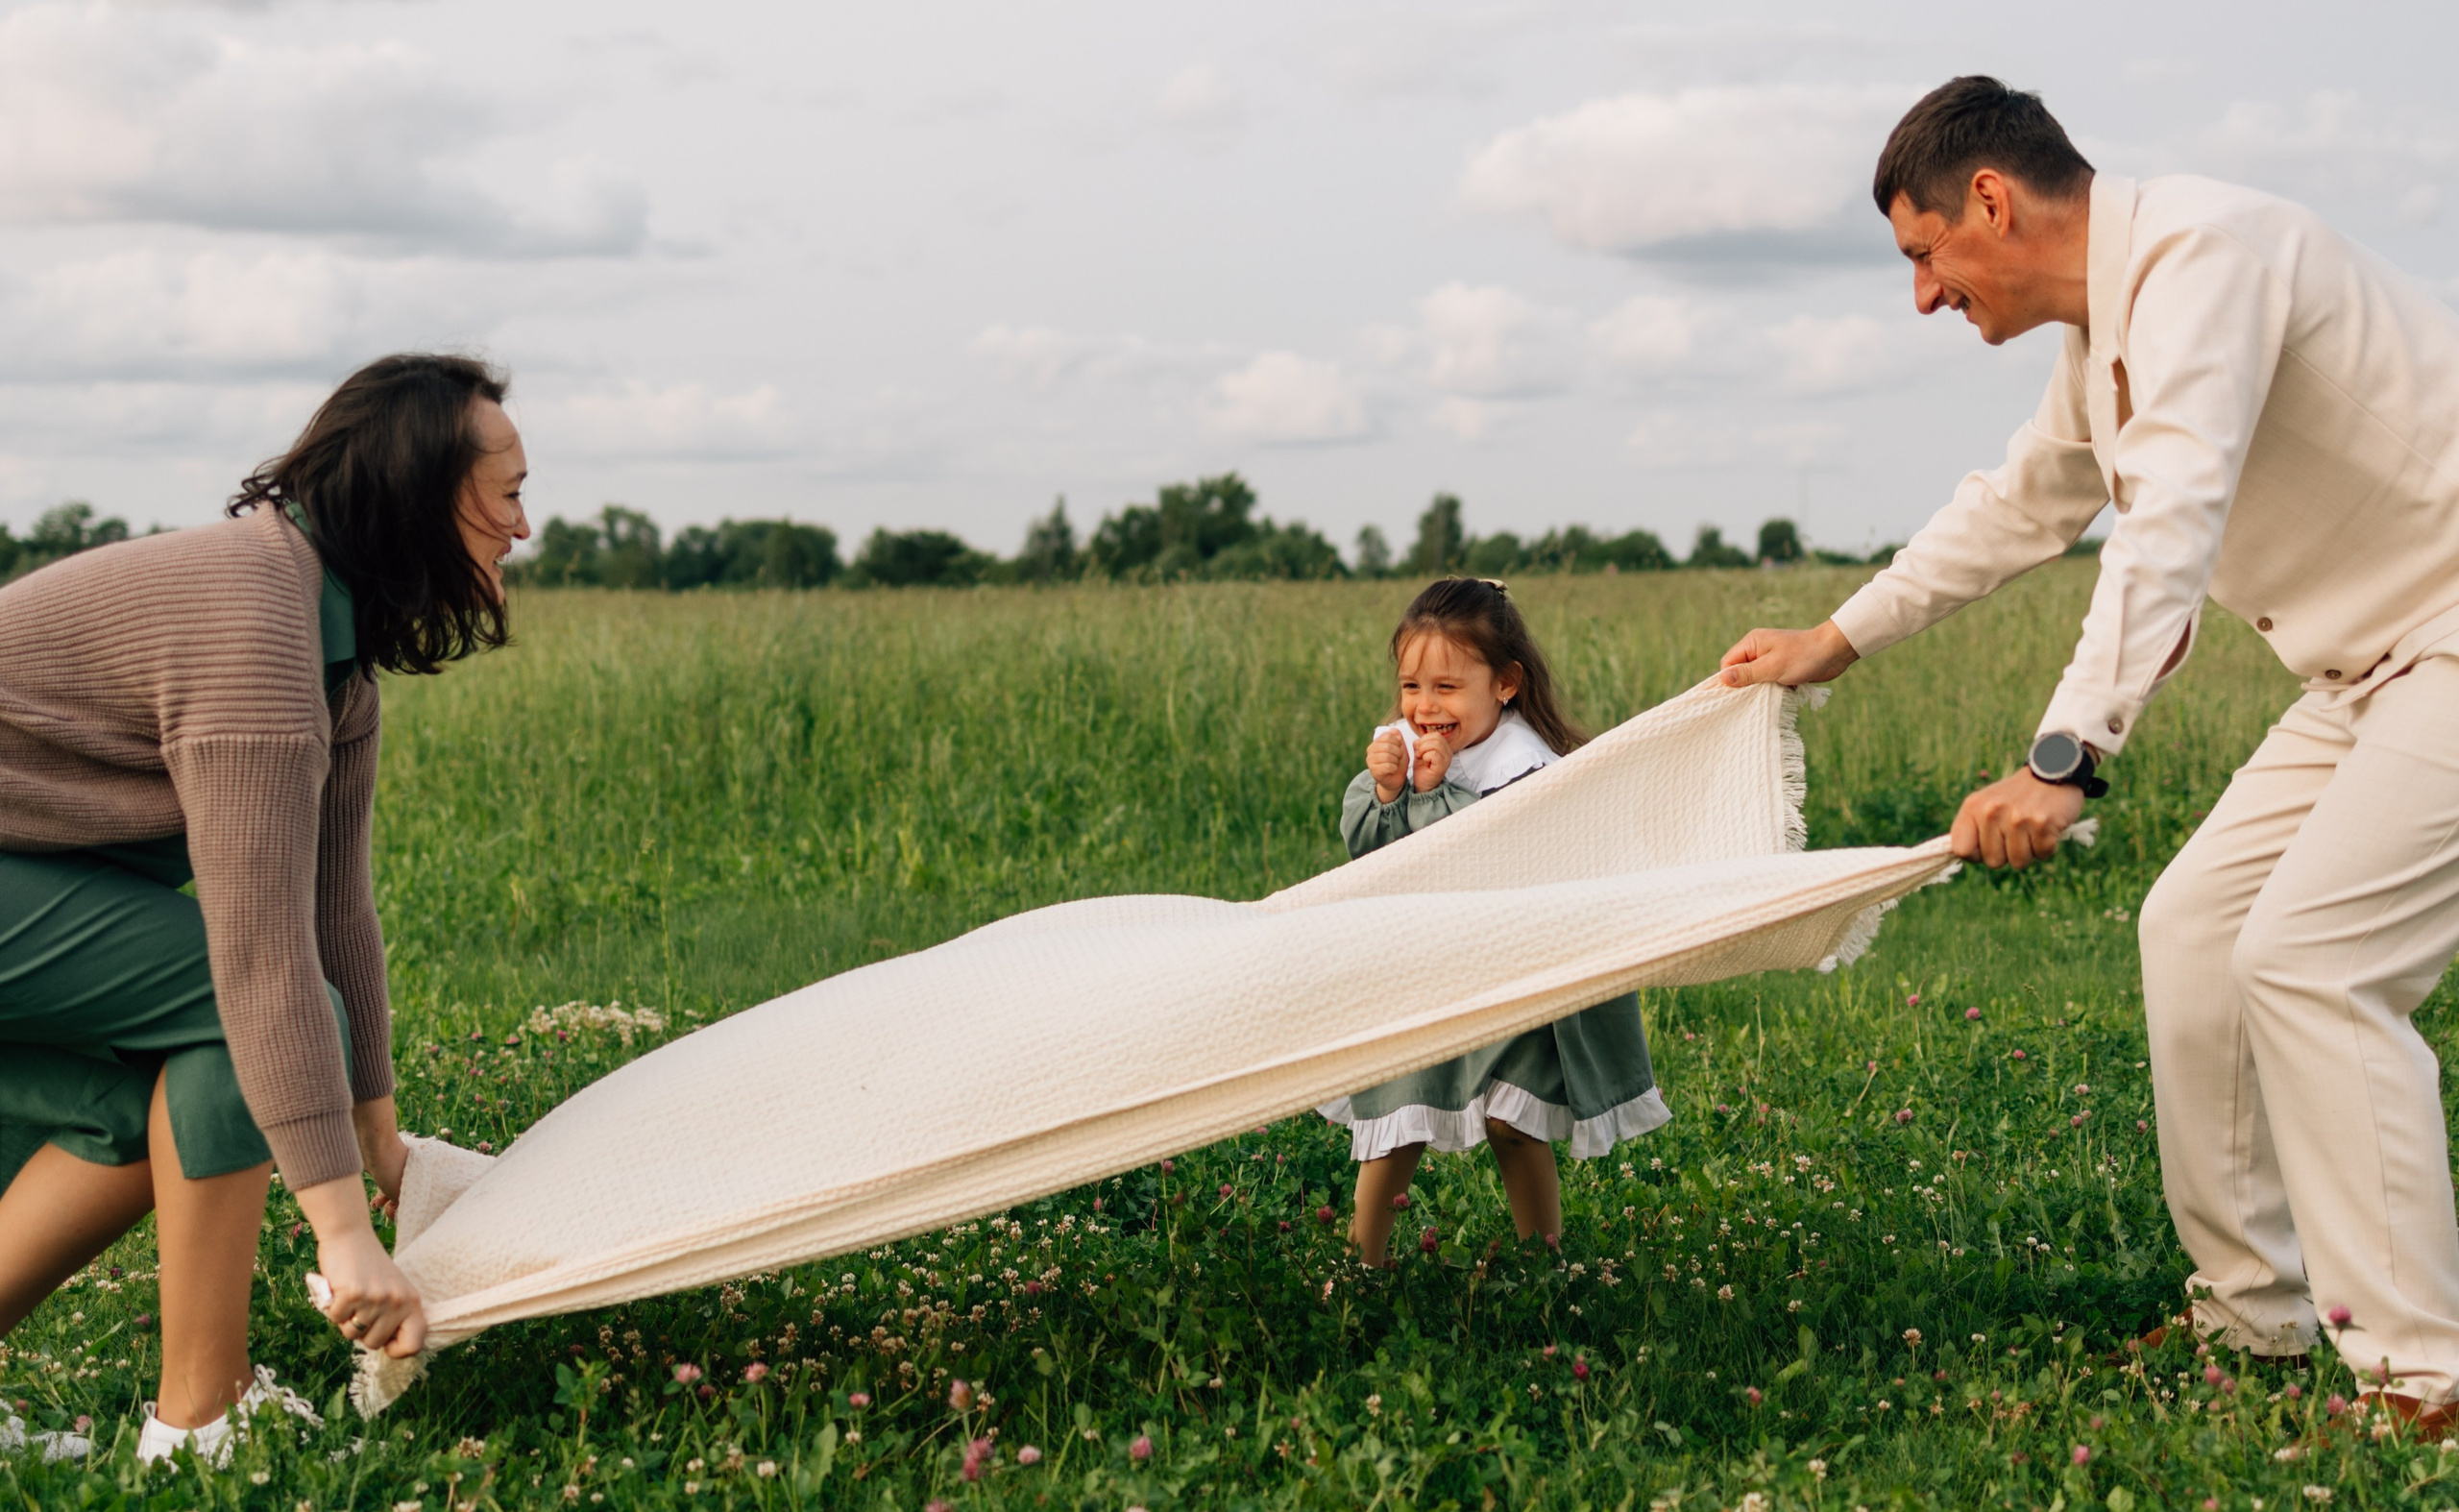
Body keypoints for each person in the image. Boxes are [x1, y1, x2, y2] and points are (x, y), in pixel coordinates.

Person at [1720, 77, 2459, 1423]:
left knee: (2313, 960)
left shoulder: (2203, 260)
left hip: (2454, 636)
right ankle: (2256, 1322)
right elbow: (2015, 508)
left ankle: (2422, 1377)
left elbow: (2169, 521)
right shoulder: (2102, 340)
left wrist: (2065, 759)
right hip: (2375, 667)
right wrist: (1836, 637)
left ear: (1990, 201)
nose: (1926, 297)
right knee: (2190, 932)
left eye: (1924, 253)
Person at [0, 353, 531, 1463]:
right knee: (229, 999)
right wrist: (342, 1234)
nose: (524, 527)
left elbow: (338, 917)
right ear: (419, 500)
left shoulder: (331, 661)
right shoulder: (255, 629)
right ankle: (202, 1422)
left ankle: (203, 1405)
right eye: (509, 492)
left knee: (128, 1110)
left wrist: (383, 1144)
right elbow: (258, 955)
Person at [1320, 577, 1668, 1264]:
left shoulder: (1524, 765)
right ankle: (1365, 1262)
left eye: (1446, 688)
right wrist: (1385, 790)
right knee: (1398, 1118)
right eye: (1410, 687)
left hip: (1517, 975)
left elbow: (1482, 859)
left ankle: (1542, 1261)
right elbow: (1367, 845)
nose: (1424, 708)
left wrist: (1433, 789)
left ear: (1504, 684)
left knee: (1515, 1122)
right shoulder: (1401, 743)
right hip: (1423, 970)